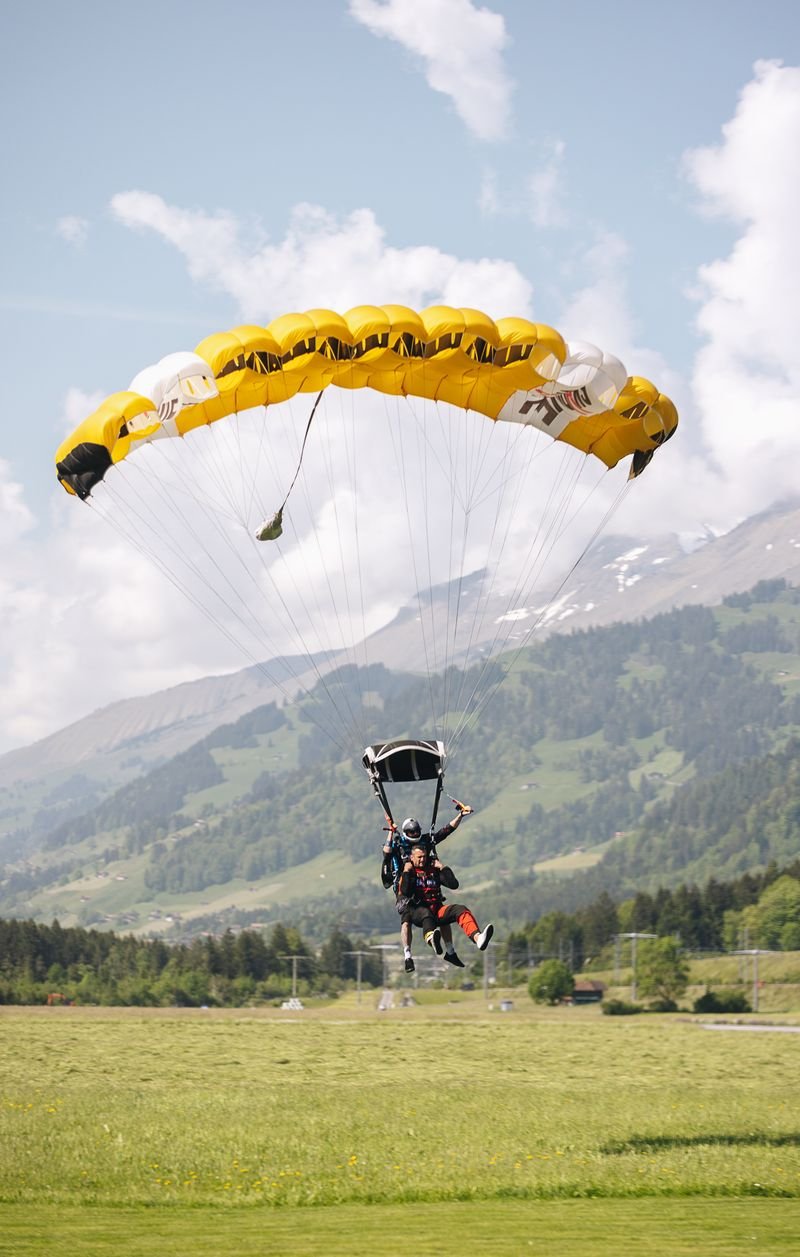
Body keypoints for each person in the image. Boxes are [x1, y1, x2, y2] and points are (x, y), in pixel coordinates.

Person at [381, 808, 470, 971]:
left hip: (427, 883)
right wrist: (390, 832)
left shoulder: (426, 841)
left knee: (441, 915)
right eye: (412, 832)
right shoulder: (399, 843)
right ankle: (408, 956)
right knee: (406, 919)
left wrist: (460, 815)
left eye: (417, 832)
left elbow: (445, 831)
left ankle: (450, 950)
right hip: (407, 889)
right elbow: (386, 852)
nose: (415, 835)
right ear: (406, 832)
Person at [397, 838, 494, 965]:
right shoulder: (410, 872)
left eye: (424, 857)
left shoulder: (433, 870)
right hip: (418, 912)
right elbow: (404, 891)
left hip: (437, 910)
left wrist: (442, 867)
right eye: (419, 857)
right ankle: (432, 939)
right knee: (426, 914)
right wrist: (406, 871)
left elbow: (454, 884)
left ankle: (478, 938)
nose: (422, 860)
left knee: (460, 909)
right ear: (412, 857)